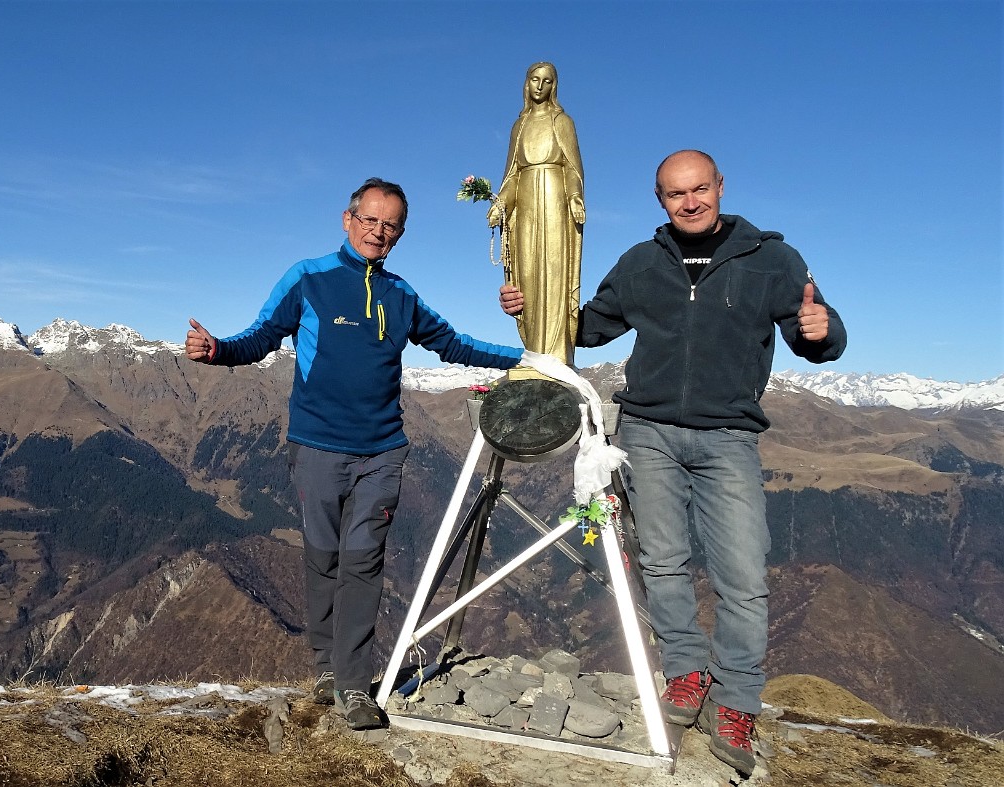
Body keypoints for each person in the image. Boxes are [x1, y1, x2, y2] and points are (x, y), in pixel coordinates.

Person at [499, 150, 847, 775]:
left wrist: (826, 331)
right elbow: (589, 326)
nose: (690, 202)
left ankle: (737, 700)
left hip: (728, 436)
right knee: (662, 563)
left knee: (743, 575)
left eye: (700, 189)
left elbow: (810, 326)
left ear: (720, 187)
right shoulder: (641, 263)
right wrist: (533, 304)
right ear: (659, 199)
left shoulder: (770, 258)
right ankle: (686, 673)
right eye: (675, 193)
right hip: (649, 432)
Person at [187, 178, 524, 730]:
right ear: (347, 220)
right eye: (370, 219)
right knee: (323, 558)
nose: (378, 231)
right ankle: (325, 668)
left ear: (400, 234)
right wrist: (219, 350)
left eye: (390, 224)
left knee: (363, 561)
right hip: (317, 447)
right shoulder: (309, 278)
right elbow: (263, 336)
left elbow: (454, 343)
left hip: (382, 451)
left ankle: (352, 686)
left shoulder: (401, 295)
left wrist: (526, 358)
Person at [487, 61, 585, 362]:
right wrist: (501, 203)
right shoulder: (519, 126)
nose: (540, 86)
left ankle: (555, 353)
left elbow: (572, 168)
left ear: (554, 86)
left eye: (546, 81)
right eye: (534, 80)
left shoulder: (563, 121)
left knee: (554, 272)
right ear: (526, 83)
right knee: (527, 273)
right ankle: (534, 350)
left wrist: (574, 196)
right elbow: (513, 175)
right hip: (526, 204)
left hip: (555, 199)